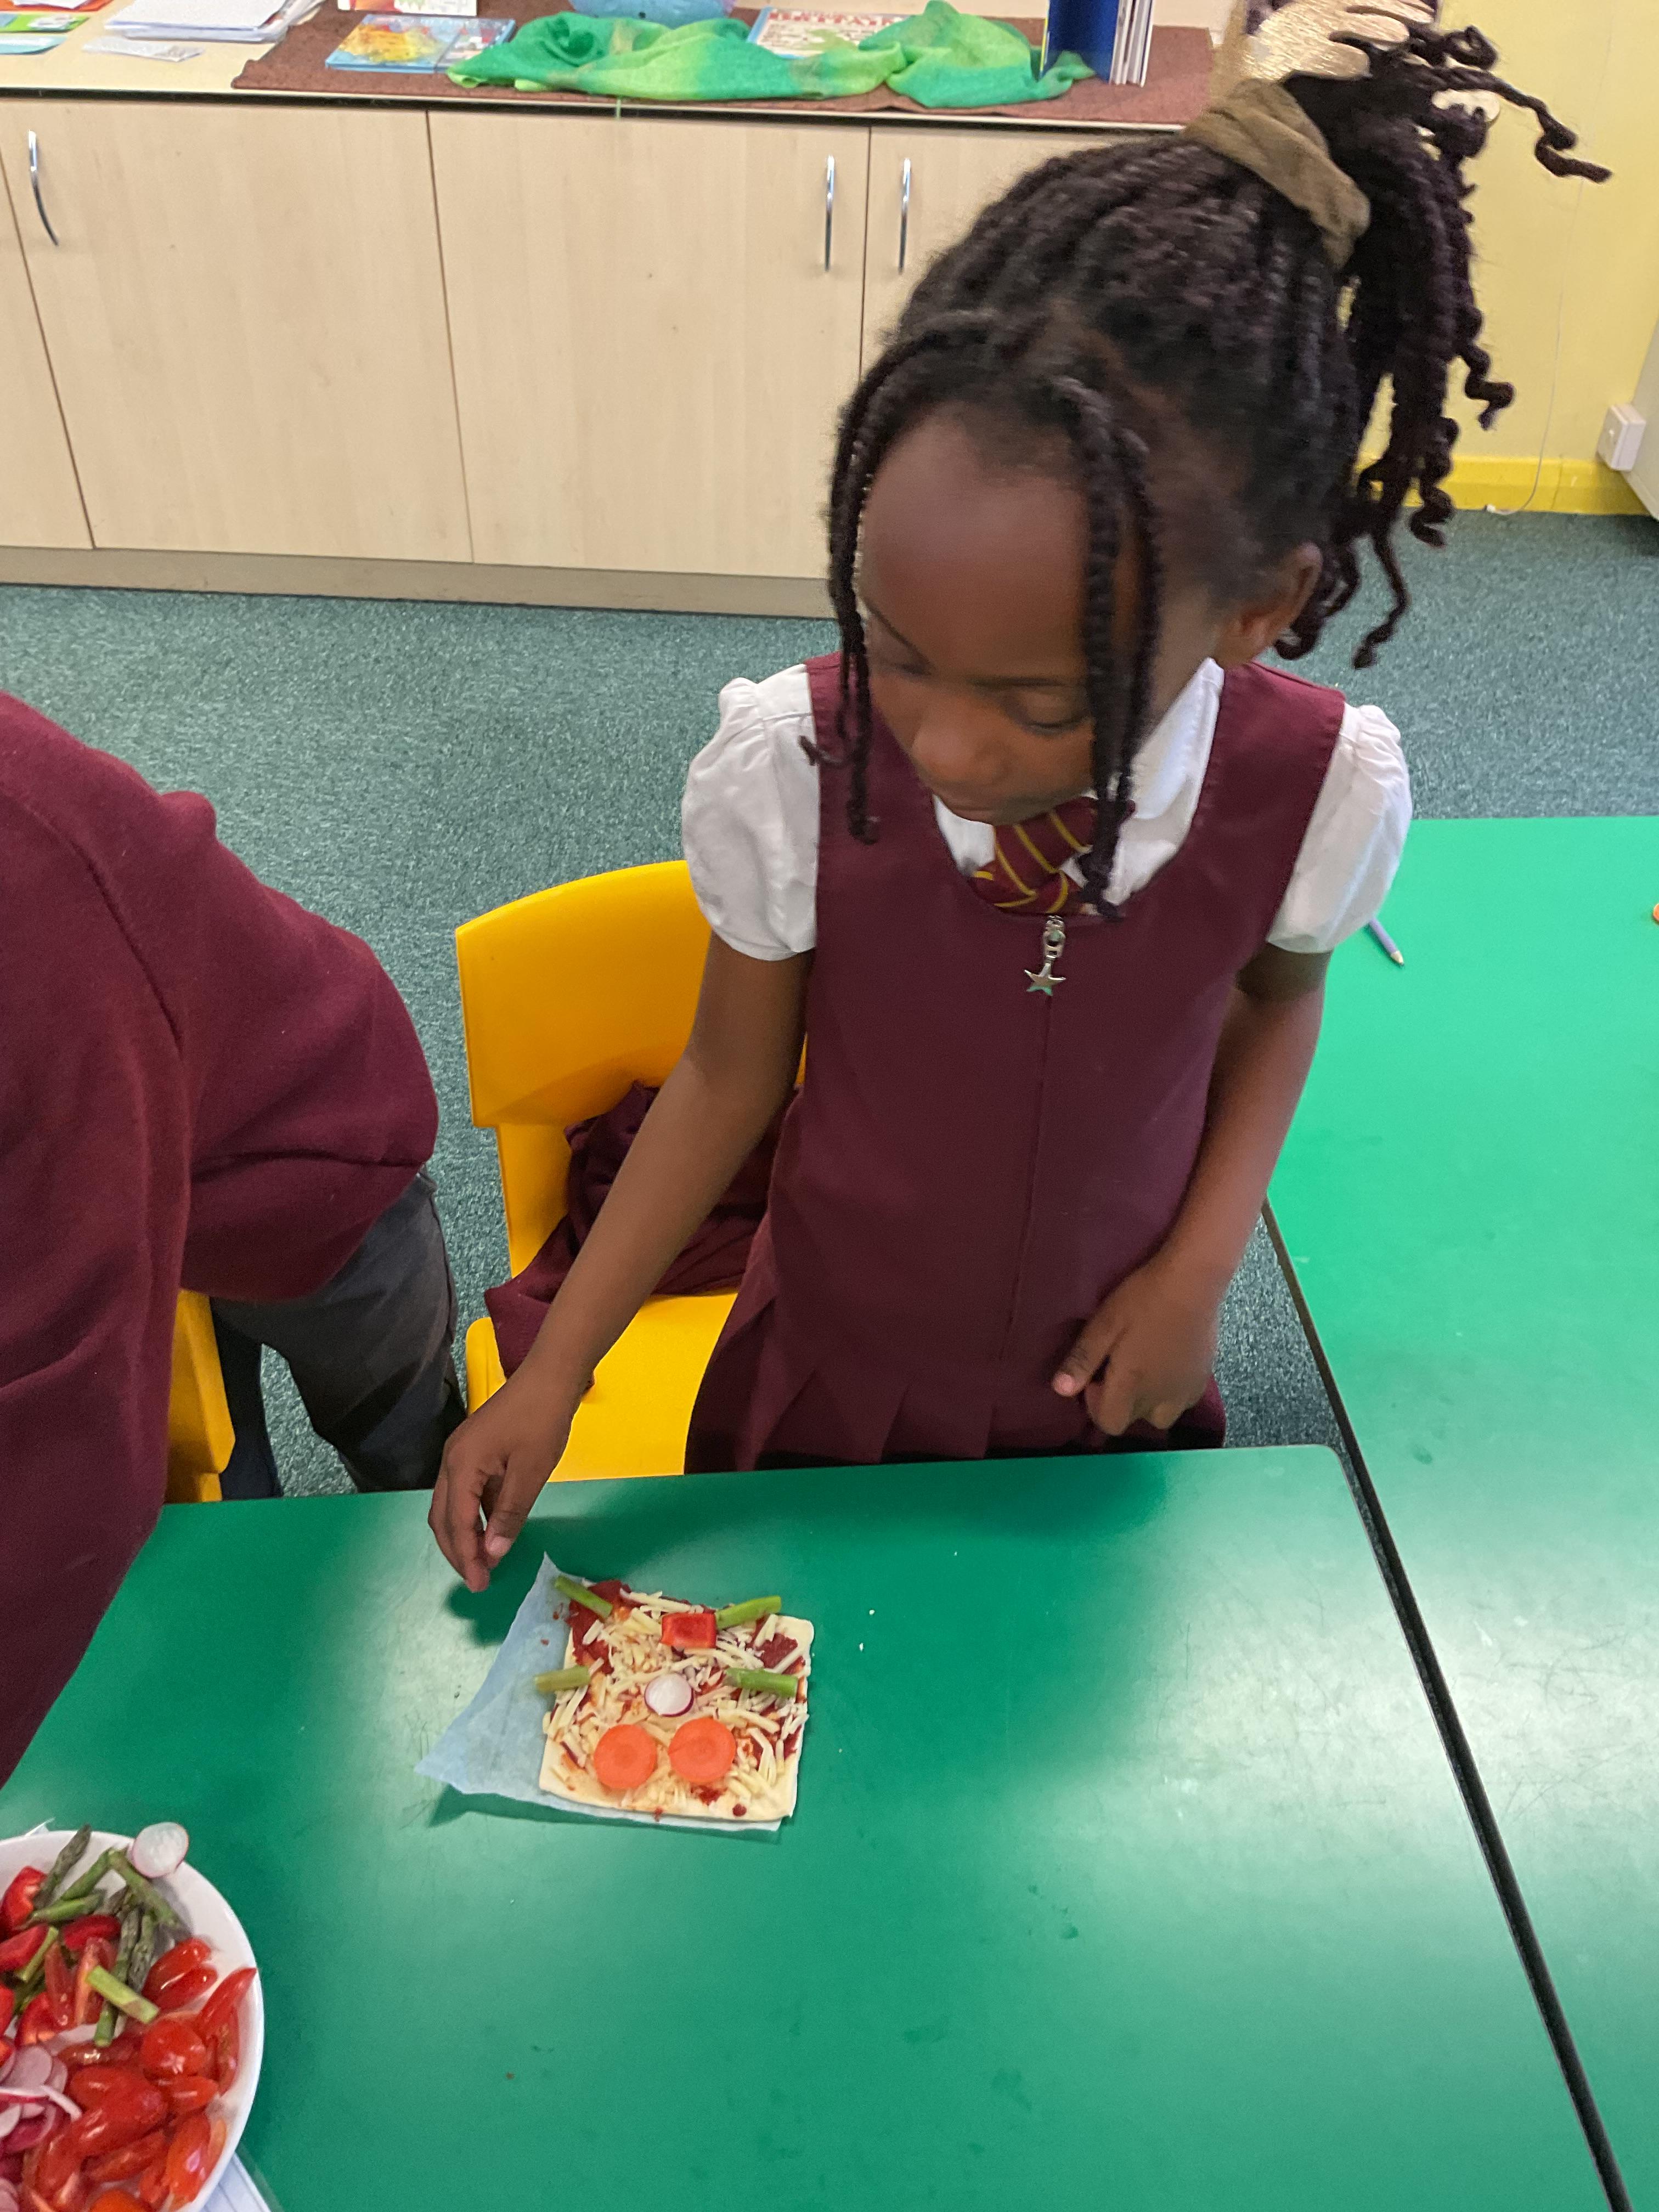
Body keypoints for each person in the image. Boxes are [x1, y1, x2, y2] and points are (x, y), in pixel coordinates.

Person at [428, 1, 1605, 1591]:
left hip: (1106, 1385)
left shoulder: (1319, 785)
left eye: (1043, 703)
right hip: (828, 1380)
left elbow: (1280, 1007)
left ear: (1259, 609)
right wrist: (559, 1371)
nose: (949, 748)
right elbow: (722, 1076)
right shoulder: (795, 759)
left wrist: (1200, 1271)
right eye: (898, 651)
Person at [1, 697, 462, 1782]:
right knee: (221, 1534)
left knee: (405, 1447)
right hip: (137, 1170)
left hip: (312, 1170)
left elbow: (72, 1428)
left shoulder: (33, 895)